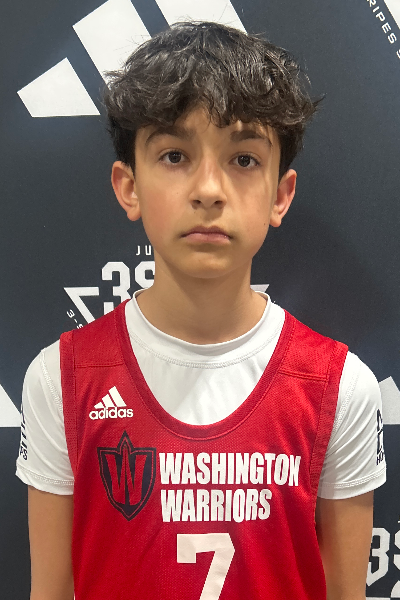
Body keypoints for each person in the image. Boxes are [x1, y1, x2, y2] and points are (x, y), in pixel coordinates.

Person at [16, 20, 386, 600]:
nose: (209, 189)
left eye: (244, 159)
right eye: (174, 155)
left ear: (280, 195)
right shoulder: (60, 380)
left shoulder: (341, 388)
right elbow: (52, 590)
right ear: (129, 187)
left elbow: (344, 592)